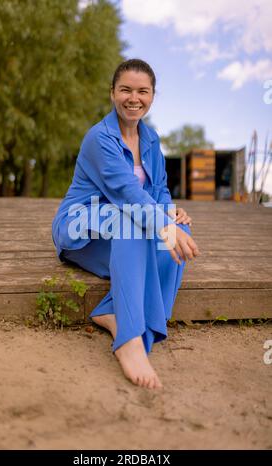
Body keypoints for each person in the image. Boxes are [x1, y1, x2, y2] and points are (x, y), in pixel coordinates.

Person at [52, 58, 200, 390]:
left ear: (152, 96)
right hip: (83, 226)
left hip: (126, 224)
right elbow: (127, 192)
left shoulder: (150, 139)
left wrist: (172, 215)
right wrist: (162, 224)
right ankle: (130, 342)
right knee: (134, 223)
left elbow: (159, 190)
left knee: (178, 234)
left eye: (142, 91)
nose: (134, 98)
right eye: (126, 90)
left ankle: (110, 311)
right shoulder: (99, 138)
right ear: (112, 94)